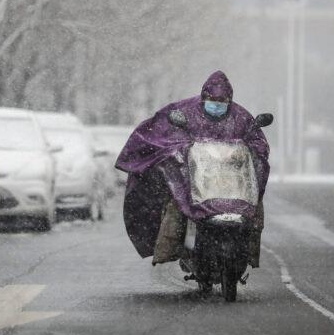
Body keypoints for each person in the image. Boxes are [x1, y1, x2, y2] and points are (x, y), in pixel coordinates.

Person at [115, 71, 270, 267]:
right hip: (196, 179)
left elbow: (257, 141)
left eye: (222, 101)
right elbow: (161, 134)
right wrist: (177, 149)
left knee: (254, 208)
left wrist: (255, 150)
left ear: (230, 100)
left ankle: (247, 254)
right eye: (212, 100)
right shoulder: (186, 111)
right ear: (204, 97)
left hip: (232, 182)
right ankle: (170, 249)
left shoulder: (241, 117)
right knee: (177, 206)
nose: (217, 104)